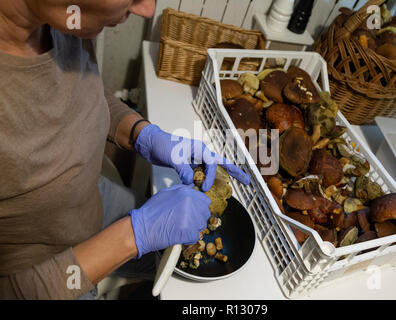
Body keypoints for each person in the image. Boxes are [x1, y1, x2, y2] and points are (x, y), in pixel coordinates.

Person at [0, 0, 250, 299]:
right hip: (40, 270)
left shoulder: (62, 20)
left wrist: (141, 133)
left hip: (91, 201)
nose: (147, 9)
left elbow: (83, 93)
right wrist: (132, 236)